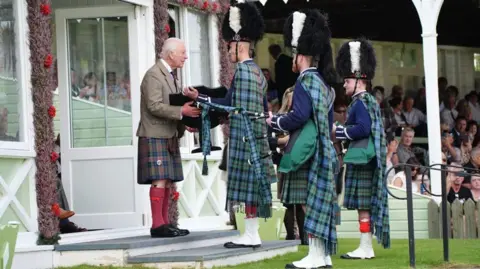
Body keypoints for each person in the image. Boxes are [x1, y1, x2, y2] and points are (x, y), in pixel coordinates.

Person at [183, 1, 276, 249]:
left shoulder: (244, 72)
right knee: (250, 190)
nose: (227, 51)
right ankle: (251, 233)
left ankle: (251, 234)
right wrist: (201, 98)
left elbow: (234, 108)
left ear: (238, 46)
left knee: (246, 190)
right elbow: (239, 104)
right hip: (254, 138)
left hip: (245, 139)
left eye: (229, 46)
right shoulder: (256, 71)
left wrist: (200, 101)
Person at [267, 9, 338, 268]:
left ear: (302, 56)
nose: (291, 60)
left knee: (310, 205)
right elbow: (327, 124)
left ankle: (316, 256)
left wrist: (274, 121)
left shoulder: (305, 82)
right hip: (323, 149)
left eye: (294, 55)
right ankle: (322, 255)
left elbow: (298, 116)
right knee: (317, 205)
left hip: (308, 153)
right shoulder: (324, 84)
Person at [136, 38, 201, 238]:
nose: (186, 57)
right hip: (155, 133)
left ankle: (165, 223)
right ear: (171, 54)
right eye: (183, 53)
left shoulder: (171, 76)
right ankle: (157, 226)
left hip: (169, 134)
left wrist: (186, 121)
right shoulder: (154, 75)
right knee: (160, 180)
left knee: (167, 180)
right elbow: (154, 106)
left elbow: (171, 105)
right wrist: (182, 111)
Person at [334, 38, 390, 259]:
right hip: (365, 158)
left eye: (347, 80)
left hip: (363, 159)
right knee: (363, 206)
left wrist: (339, 132)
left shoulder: (361, 101)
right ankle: (365, 245)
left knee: (364, 205)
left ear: (358, 79)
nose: (344, 84)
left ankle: (366, 248)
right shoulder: (364, 101)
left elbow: (363, 129)